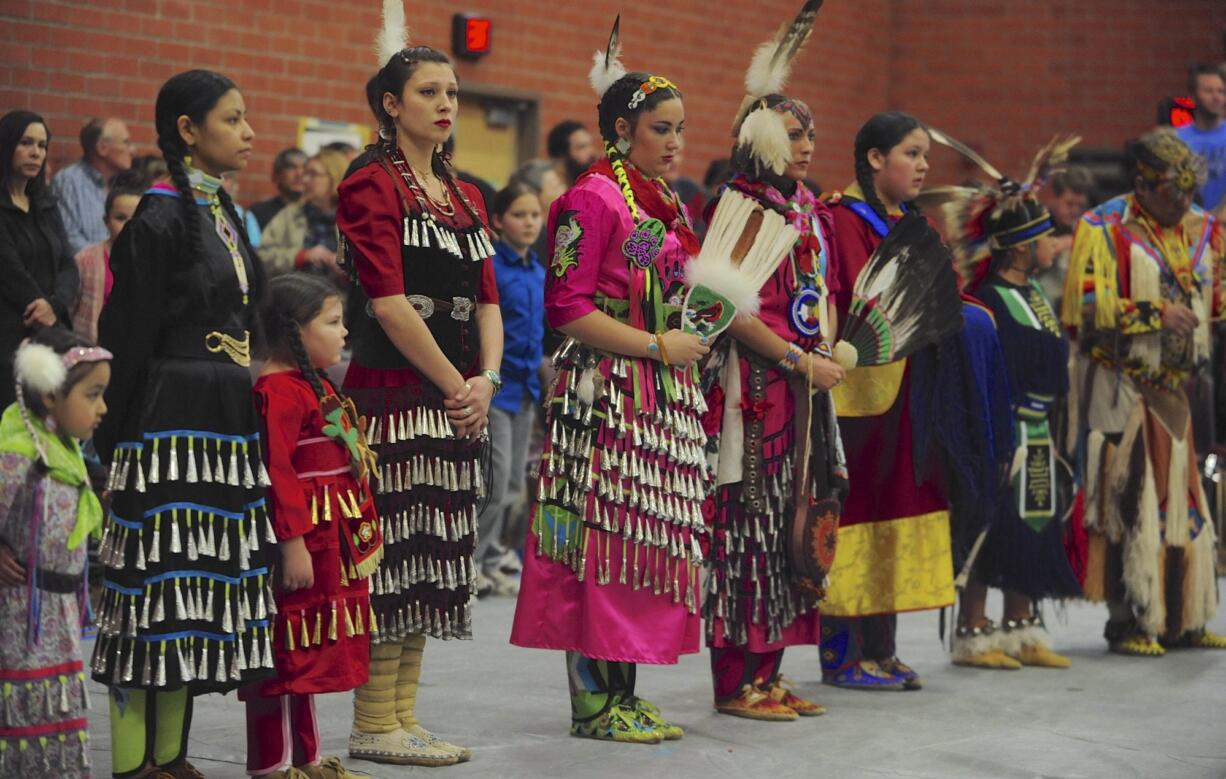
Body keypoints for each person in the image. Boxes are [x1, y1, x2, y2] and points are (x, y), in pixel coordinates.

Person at [509, 26, 710, 744]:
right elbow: (570, 307)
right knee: (597, 537)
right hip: (606, 397)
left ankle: (622, 690)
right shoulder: (593, 199)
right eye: (662, 129)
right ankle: (593, 703)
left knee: (639, 540)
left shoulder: (662, 202)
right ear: (622, 129)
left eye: (681, 129)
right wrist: (658, 344)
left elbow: (669, 288)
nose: (675, 141)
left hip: (660, 393)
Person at [90, 69, 273, 779]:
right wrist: (113, 435)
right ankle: (134, 765)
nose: (250, 131)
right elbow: (125, 332)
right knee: (153, 585)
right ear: (189, 131)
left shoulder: (225, 213)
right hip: (166, 421)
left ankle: (173, 756)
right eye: (233, 119)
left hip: (220, 424)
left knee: (193, 585)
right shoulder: (160, 218)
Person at [336, 14, 501, 765]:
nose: (445, 103)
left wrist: (486, 381)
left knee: (434, 553)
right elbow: (389, 303)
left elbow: (489, 298)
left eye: (453, 91)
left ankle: (402, 715)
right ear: (390, 105)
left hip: (458, 398)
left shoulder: (467, 195)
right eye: (428, 90)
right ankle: (373, 720)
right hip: (394, 396)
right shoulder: (371, 184)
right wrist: (454, 384)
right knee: (396, 551)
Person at [702, 10, 846, 721]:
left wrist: (826, 349)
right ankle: (737, 681)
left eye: (811, 132)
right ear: (760, 138)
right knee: (749, 524)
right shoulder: (744, 207)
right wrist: (797, 358)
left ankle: (771, 669)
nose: (808, 144)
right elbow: (722, 308)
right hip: (754, 392)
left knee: (793, 524)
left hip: (801, 388)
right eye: (794, 133)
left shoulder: (804, 208)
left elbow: (815, 296)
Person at [1060, 129, 1224, 656]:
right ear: (1141, 185)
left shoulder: (1204, 228)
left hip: (1179, 387)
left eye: (1186, 194)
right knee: (1124, 495)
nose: (1180, 204)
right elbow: (1083, 312)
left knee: (1185, 499)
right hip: (1120, 382)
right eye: (1169, 195)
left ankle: (1184, 615)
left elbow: (1216, 301)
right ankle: (1126, 619)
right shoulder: (1104, 226)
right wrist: (1153, 313)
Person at [819, 112, 953, 691]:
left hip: (909, 398)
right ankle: (842, 657)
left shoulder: (916, 226)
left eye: (926, 155)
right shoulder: (839, 221)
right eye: (911, 153)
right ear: (876, 159)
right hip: (855, 399)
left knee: (894, 514)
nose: (923, 165)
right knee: (855, 517)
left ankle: (884, 649)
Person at [943, 164, 1084, 671]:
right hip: (1004, 431)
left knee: (1033, 525)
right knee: (991, 526)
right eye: (1048, 238)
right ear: (1022, 247)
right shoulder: (989, 301)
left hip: (1040, 430)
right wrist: (993, 437)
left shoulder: (1034, 293)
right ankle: (974, 629)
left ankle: (1022, 626)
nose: (1056, 244)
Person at [243, 273, 382, 779]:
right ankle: (270, 764)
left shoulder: (312, 383)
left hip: (332, 542)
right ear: (293, 332)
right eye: (332, 321)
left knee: (304, 651)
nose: (344, 332)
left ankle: (307, 758)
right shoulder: (275, 391)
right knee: (282, 650)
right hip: (304, 542)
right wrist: (293, 544)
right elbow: (276, 473)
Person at [0, 330, 110, 777]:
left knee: (58, 727)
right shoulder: (18, 456)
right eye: (93, 395)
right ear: (50, 396)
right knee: (24, 731)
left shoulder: (66, 451)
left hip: (60, 623)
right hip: (18, 626)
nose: (102, 408)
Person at [474, 181, 544, 598]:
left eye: (535, 214)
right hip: (497, 390)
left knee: (516, 486)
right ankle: (471, 563)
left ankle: (493, 560)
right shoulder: (492, 268)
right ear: (498, 221)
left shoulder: (538, 270)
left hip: (527, 391)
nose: (529, 222)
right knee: (495, 485)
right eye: (519, 214)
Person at [0, 110, 79, 410]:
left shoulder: (46, 205)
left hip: (50, 332)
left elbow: (68, 265)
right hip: (9, 335)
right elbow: (9, 269)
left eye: (42, 145)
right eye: (26, 143)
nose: (36, 152)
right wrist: (39, 304)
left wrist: (54, 305)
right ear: (7, 146)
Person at [72, 171, 144, 342]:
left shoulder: (153, 262)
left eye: (136, 219)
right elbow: (69, 310)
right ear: (106, 220)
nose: (129, 226)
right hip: (91, 350)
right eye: (120, 218)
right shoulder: (85, 260)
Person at [260, 149, 348, 278]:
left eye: (312, 174)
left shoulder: (355, 217)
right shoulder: (290, 214)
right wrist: (300, 257)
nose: (304, 180)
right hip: (297, 294)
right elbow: (262, 257)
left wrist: (348, 268)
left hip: (340, 296)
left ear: (334, 177)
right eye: (306, 173)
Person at [54, 117, 134, 254]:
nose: (133, 150)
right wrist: (105, 264)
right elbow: (69, 239)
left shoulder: (120, 184)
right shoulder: (69, 180)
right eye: (126, 142)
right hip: (87, 272)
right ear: (102, 148)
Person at [1036, 166, 1095, 309]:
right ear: (1054, 197)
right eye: (1069, 204)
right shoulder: (1037, 221)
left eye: (1080, 206)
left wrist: (1072, 241)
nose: (1075, 211)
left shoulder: (1083, 224)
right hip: (1041, 288)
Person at [1175, 64, 1226, 215]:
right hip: (1189, 222)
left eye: (1221, 91)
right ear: (1193, 96)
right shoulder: (1178, 139)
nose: (1216, 97)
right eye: (1208, 91)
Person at [251, 147, 307, 229]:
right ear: (277, 175)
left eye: (305, 168)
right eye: (291, 167)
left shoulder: (317, 214)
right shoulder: (258, 213)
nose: (299, 174)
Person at [546, 119, 598, 186]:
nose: (592, 152)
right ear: (561, 155)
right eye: (582, 147)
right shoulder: (541, 185)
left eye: (590, 145)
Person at [221, 172, 263, 248]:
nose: (221, 181)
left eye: (226, 178)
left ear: (235, 184)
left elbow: (255, 249)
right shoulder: (202, 209)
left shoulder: (246, 216)